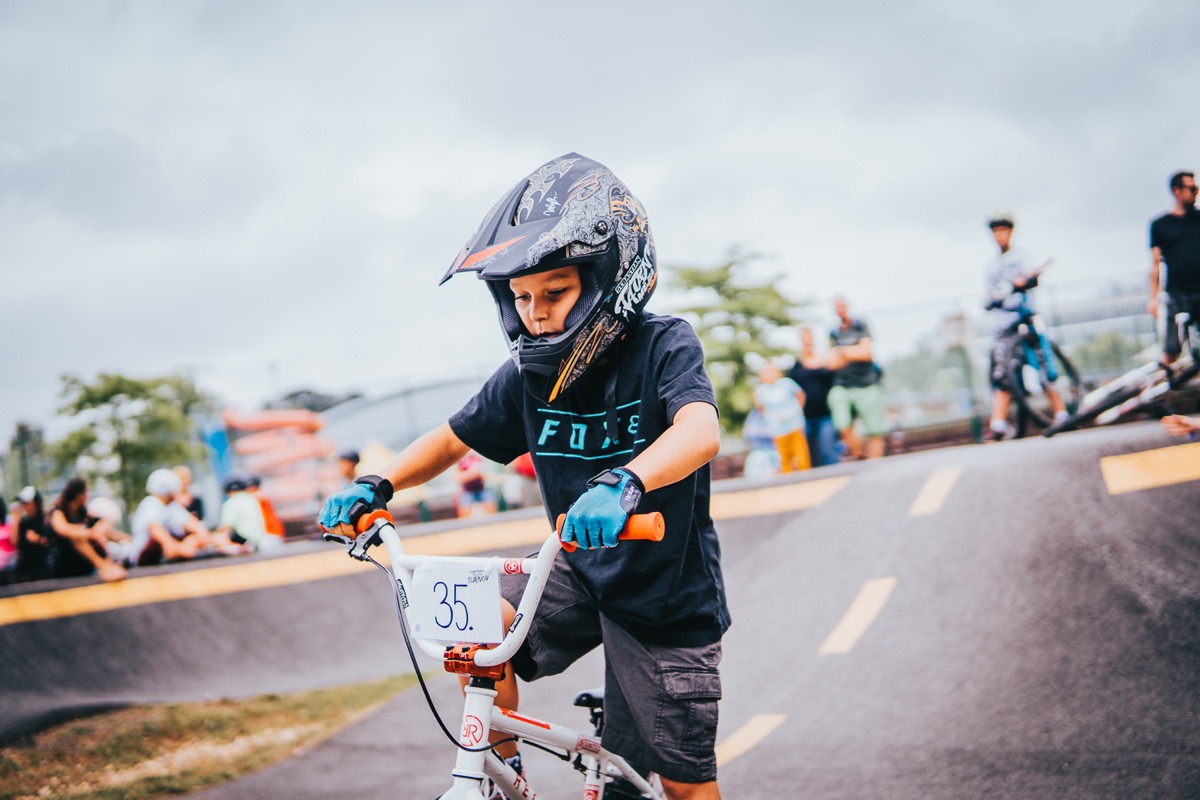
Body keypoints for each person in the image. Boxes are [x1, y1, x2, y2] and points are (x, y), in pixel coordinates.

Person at [320, 153, 729, 799]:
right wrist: (378, 484)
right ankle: (503, 775)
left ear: (609, 278)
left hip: (664, 592)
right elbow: (451, 439)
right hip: (575, 569)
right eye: (521, 297)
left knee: (682, 785)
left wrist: (625, 483)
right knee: (474, 628)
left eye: (555, 293)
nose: (535, 312)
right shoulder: (528, 376)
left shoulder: (663, 345)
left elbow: (700, 431)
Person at [981, 211, 1067, 442]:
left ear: (1010, 232)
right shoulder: (991, 266)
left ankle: (1061, 414)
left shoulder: (1022, 257)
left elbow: (1032, 277)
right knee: (1002, 373)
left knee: (1043, 365)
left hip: (1026, 319)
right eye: (995, 231)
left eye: (1003, 230)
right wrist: (991, 299)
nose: (999, 235)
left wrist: (1022, 282)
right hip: (1004, 325)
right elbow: (987, 296)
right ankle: (998, 424)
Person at [1148, 171, 1200, 367]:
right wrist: (1153, 298)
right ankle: (1168, 383)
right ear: (1177, 191)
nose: (1195, 192)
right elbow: (1155, 264)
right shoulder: (1160, 225)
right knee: (1171, 349)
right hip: (1177, 294)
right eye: (1192, 188)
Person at [827, 297, 887, 459]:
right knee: (842, 423)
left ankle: (875, 464)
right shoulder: (834, 332)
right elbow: (831, 363)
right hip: (843, 385)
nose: (840, 309)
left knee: (874, 431)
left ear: (848, 307)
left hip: (867, 384)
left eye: (842, 306)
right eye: (837, 307)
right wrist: (855, 350)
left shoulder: (860, 325)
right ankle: (859, 455)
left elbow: (867, 354)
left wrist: (842, 351)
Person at [45, 477, 127, 582]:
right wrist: (89, 534)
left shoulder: (82, 513)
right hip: (62, 562)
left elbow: (102, 522)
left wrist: (99, 530)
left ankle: (109, 565)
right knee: (77, 535)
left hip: (80, 562)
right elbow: (63, 529)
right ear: (80, 496)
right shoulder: (57, 511)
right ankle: (104, 567)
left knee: (95, 529)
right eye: (86, 493)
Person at [129, 468, 218, 565]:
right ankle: (191, 552)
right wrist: (180, 549)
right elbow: (155, 529)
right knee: (169, 542)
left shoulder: (172, 506)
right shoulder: (151, 503)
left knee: (193, 538)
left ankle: (191, 551)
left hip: (167, 552)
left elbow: (196, 527)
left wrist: (203, 539)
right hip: (144, 557)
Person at [788, 326, 840, 467]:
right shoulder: (797, 366)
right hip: (805, 417)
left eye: (808, 338)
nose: (806, 342)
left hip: (826, 414)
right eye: (803, 339)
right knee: (811, 456)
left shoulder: (825, 362)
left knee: (828, 452)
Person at [753, 362, 810, 473]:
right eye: (766, 373)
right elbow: (761, 407)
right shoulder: (761, 390)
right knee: (782, 453)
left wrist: (799, 410)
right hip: (777, 427)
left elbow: (800, 395)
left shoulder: (787, 383)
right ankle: (787, 475)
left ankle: (805, 472)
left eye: (772, 372)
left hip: (794, 423)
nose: (770, 375)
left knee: (800, 449)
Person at [214, 472, 275, 553]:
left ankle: (238, 548)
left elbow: (225, 526)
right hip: (259, 537)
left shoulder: (231, 502)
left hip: (245, 538)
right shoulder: (251, 498)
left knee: (220, 537)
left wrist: (213, 535)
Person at [14, 486, 50, 581]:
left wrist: (38, 539)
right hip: (26, 571)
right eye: (22, 503)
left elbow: (51, 542)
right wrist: (16, 521)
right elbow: (15, 542)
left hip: (42, 569)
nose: (24, 506)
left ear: (36, 503)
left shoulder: (45, 520)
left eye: (26, 503)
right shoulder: (23, 522)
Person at [454, 451, 499, 517]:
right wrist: (472, 474)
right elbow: (457, 477)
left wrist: (496, 478)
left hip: (482, 490)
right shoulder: (461, 461)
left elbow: (482, 475)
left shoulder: (478, 459)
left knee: (492, 512)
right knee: (464, 516)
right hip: (467, 492)